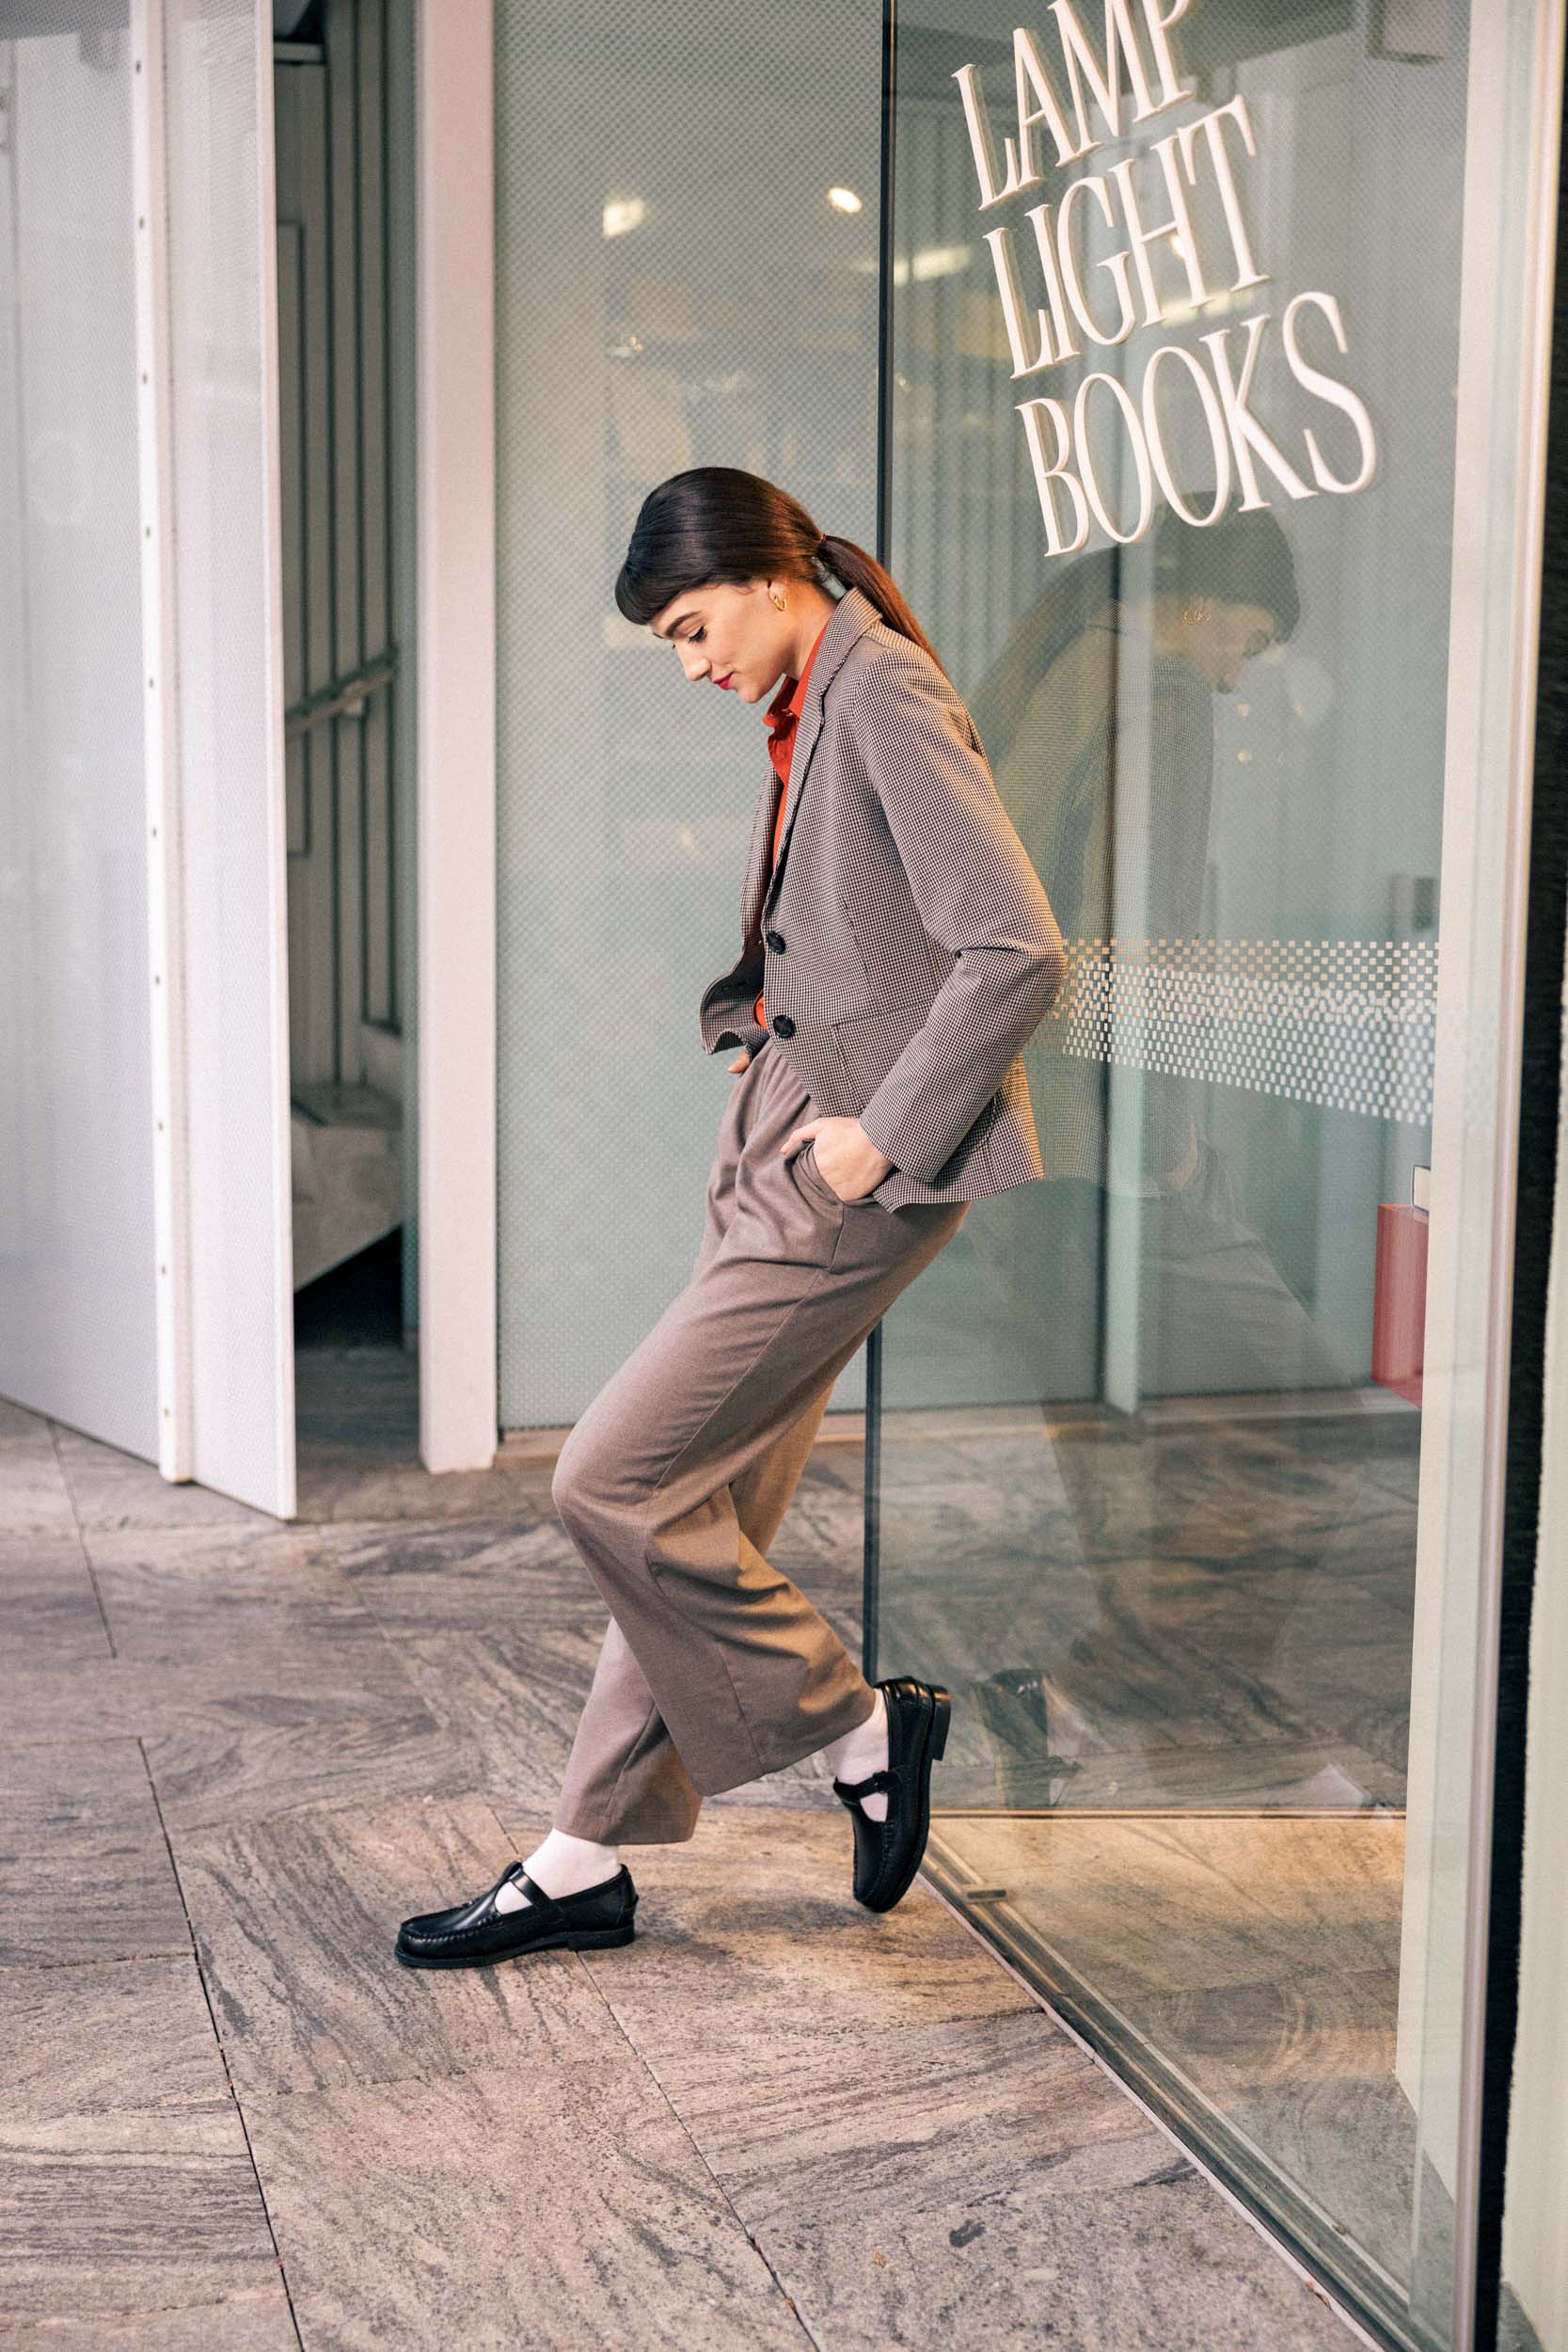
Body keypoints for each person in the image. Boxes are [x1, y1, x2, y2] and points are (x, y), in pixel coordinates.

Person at [395, 464, 1066, 1969]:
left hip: (847, 1165)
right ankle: (584, 1859)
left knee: (611, 1480)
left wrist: (872, 1147)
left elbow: (1013, 946)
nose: (696, 666)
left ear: (771, 581)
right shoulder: (816, 694)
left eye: (697, 630)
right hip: (786, 1125)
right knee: (694, 1513)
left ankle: (860, 1729)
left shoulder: (878, 689)